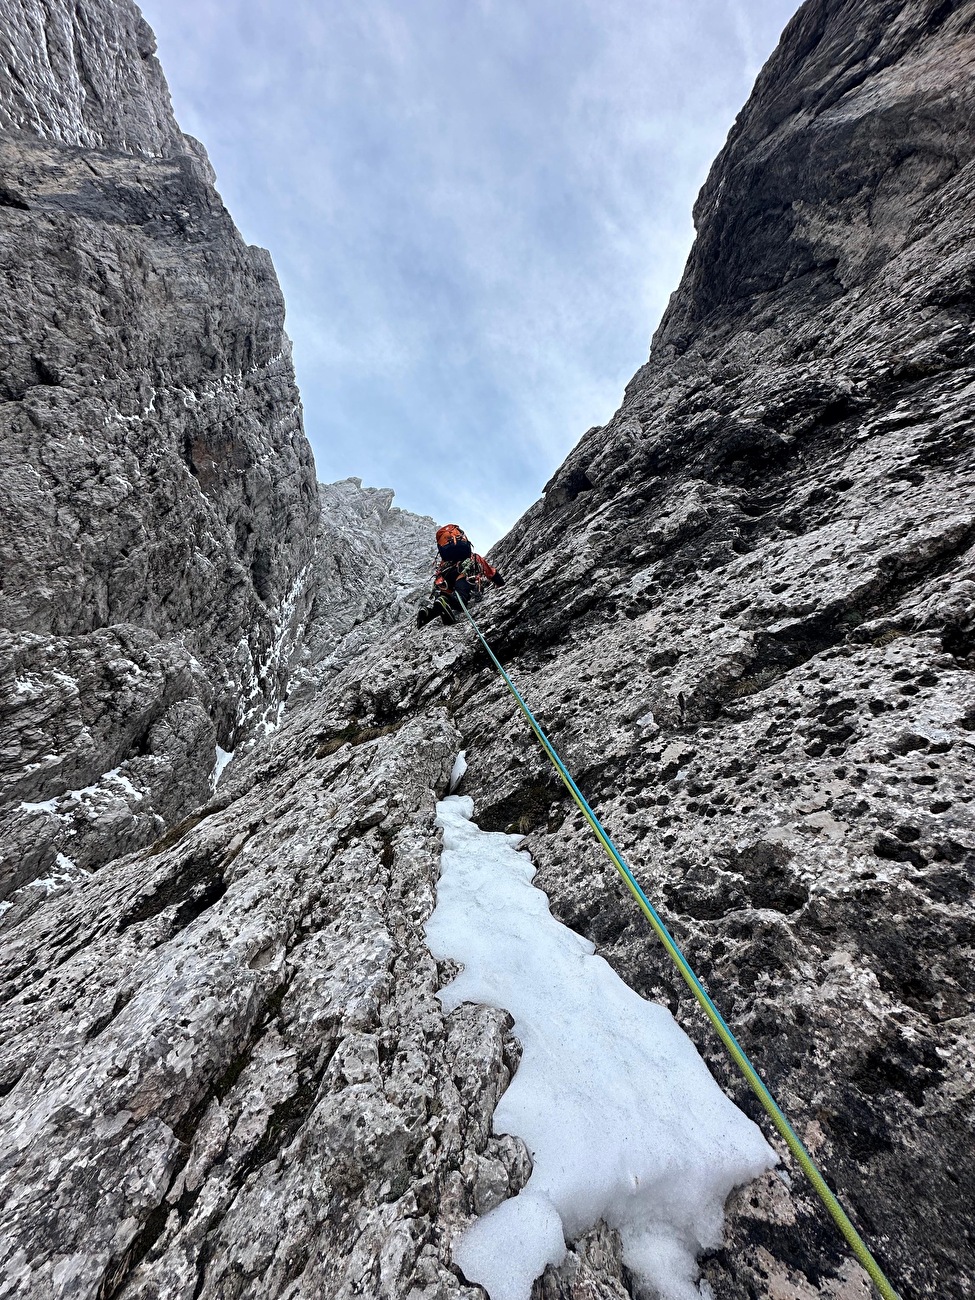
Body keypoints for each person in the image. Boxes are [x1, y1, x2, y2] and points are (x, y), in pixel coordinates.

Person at [416, 524, 505, 628]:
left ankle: (428, 614)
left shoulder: (445, 562)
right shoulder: (473, 557)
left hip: (446, 576)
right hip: (463, 575)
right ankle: (455, 600)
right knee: (460, 597)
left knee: (443, 598)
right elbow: (491, 572)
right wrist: (502, 585)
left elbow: (439, 576)